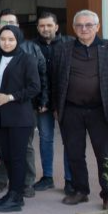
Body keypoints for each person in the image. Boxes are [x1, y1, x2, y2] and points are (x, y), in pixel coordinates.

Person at [52, 10, 108, 209]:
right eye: (79, 25)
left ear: (97, 27)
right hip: (71, 110)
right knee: (74, 152)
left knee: (105, 155)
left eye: (89, 25)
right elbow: (55, 78)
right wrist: (56, 106)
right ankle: (80, 191)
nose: (84, 29)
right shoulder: (63, 49)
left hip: (101, 110)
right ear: (73, 28)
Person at [0, 9, 47, 196]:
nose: (6, 42)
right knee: (3, 152)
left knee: (20, 153)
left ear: (18, 37)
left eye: (11, 39)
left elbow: (35, 85)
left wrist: (11, 97)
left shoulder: (28, 57)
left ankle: (21, 189)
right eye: (3, 38)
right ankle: (6, 184)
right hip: (0, 115)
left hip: (20, 114)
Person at [32, 12, 73, 193]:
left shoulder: (70, 44)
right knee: (45, 139)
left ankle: (70, 180)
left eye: (49, 25)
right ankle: (47, 177)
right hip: (42, 102)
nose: (45, 29)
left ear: (56, 27)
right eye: (42, 26)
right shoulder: (31, 46)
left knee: (69, 140)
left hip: (66, 101)